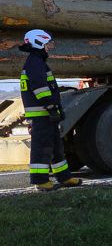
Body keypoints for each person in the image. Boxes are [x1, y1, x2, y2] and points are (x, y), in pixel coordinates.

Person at [19, 30, 82, 191]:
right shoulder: (35, 63)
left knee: (55, 146)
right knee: (42, 147)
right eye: (47, 44)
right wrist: (51, 106)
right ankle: (40, 181)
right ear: (39, 43)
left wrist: (55, 108)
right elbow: (40, 88)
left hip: (45, 113)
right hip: (41, 114)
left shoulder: (38, 62)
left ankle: (64, 177)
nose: (49, 48)